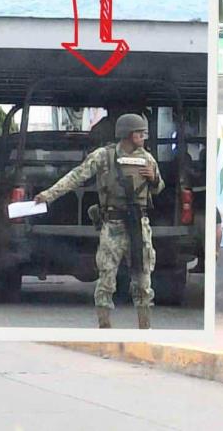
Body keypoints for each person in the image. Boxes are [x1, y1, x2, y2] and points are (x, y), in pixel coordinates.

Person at [34, 114, 165, 329]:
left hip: (139, 226)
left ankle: (145, 329)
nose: (143, 137)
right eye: (139, 133)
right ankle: (104, 328)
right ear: (128, 135)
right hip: (113, 225)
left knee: (143, 282)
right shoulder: (103, 156)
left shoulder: (148, 159)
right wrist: (48, 195)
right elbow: (76, 177)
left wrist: (154, 178)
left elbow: (158, 188)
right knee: (106, 280)